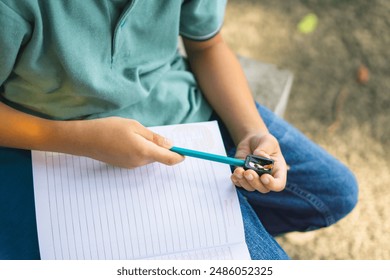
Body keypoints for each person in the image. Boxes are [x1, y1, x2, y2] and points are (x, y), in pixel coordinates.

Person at [0, 0, 358, 259]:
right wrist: (83, 140)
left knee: (335, 193)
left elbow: (208, 45)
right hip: (54, 143)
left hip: (183, 109)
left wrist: (251, 132)